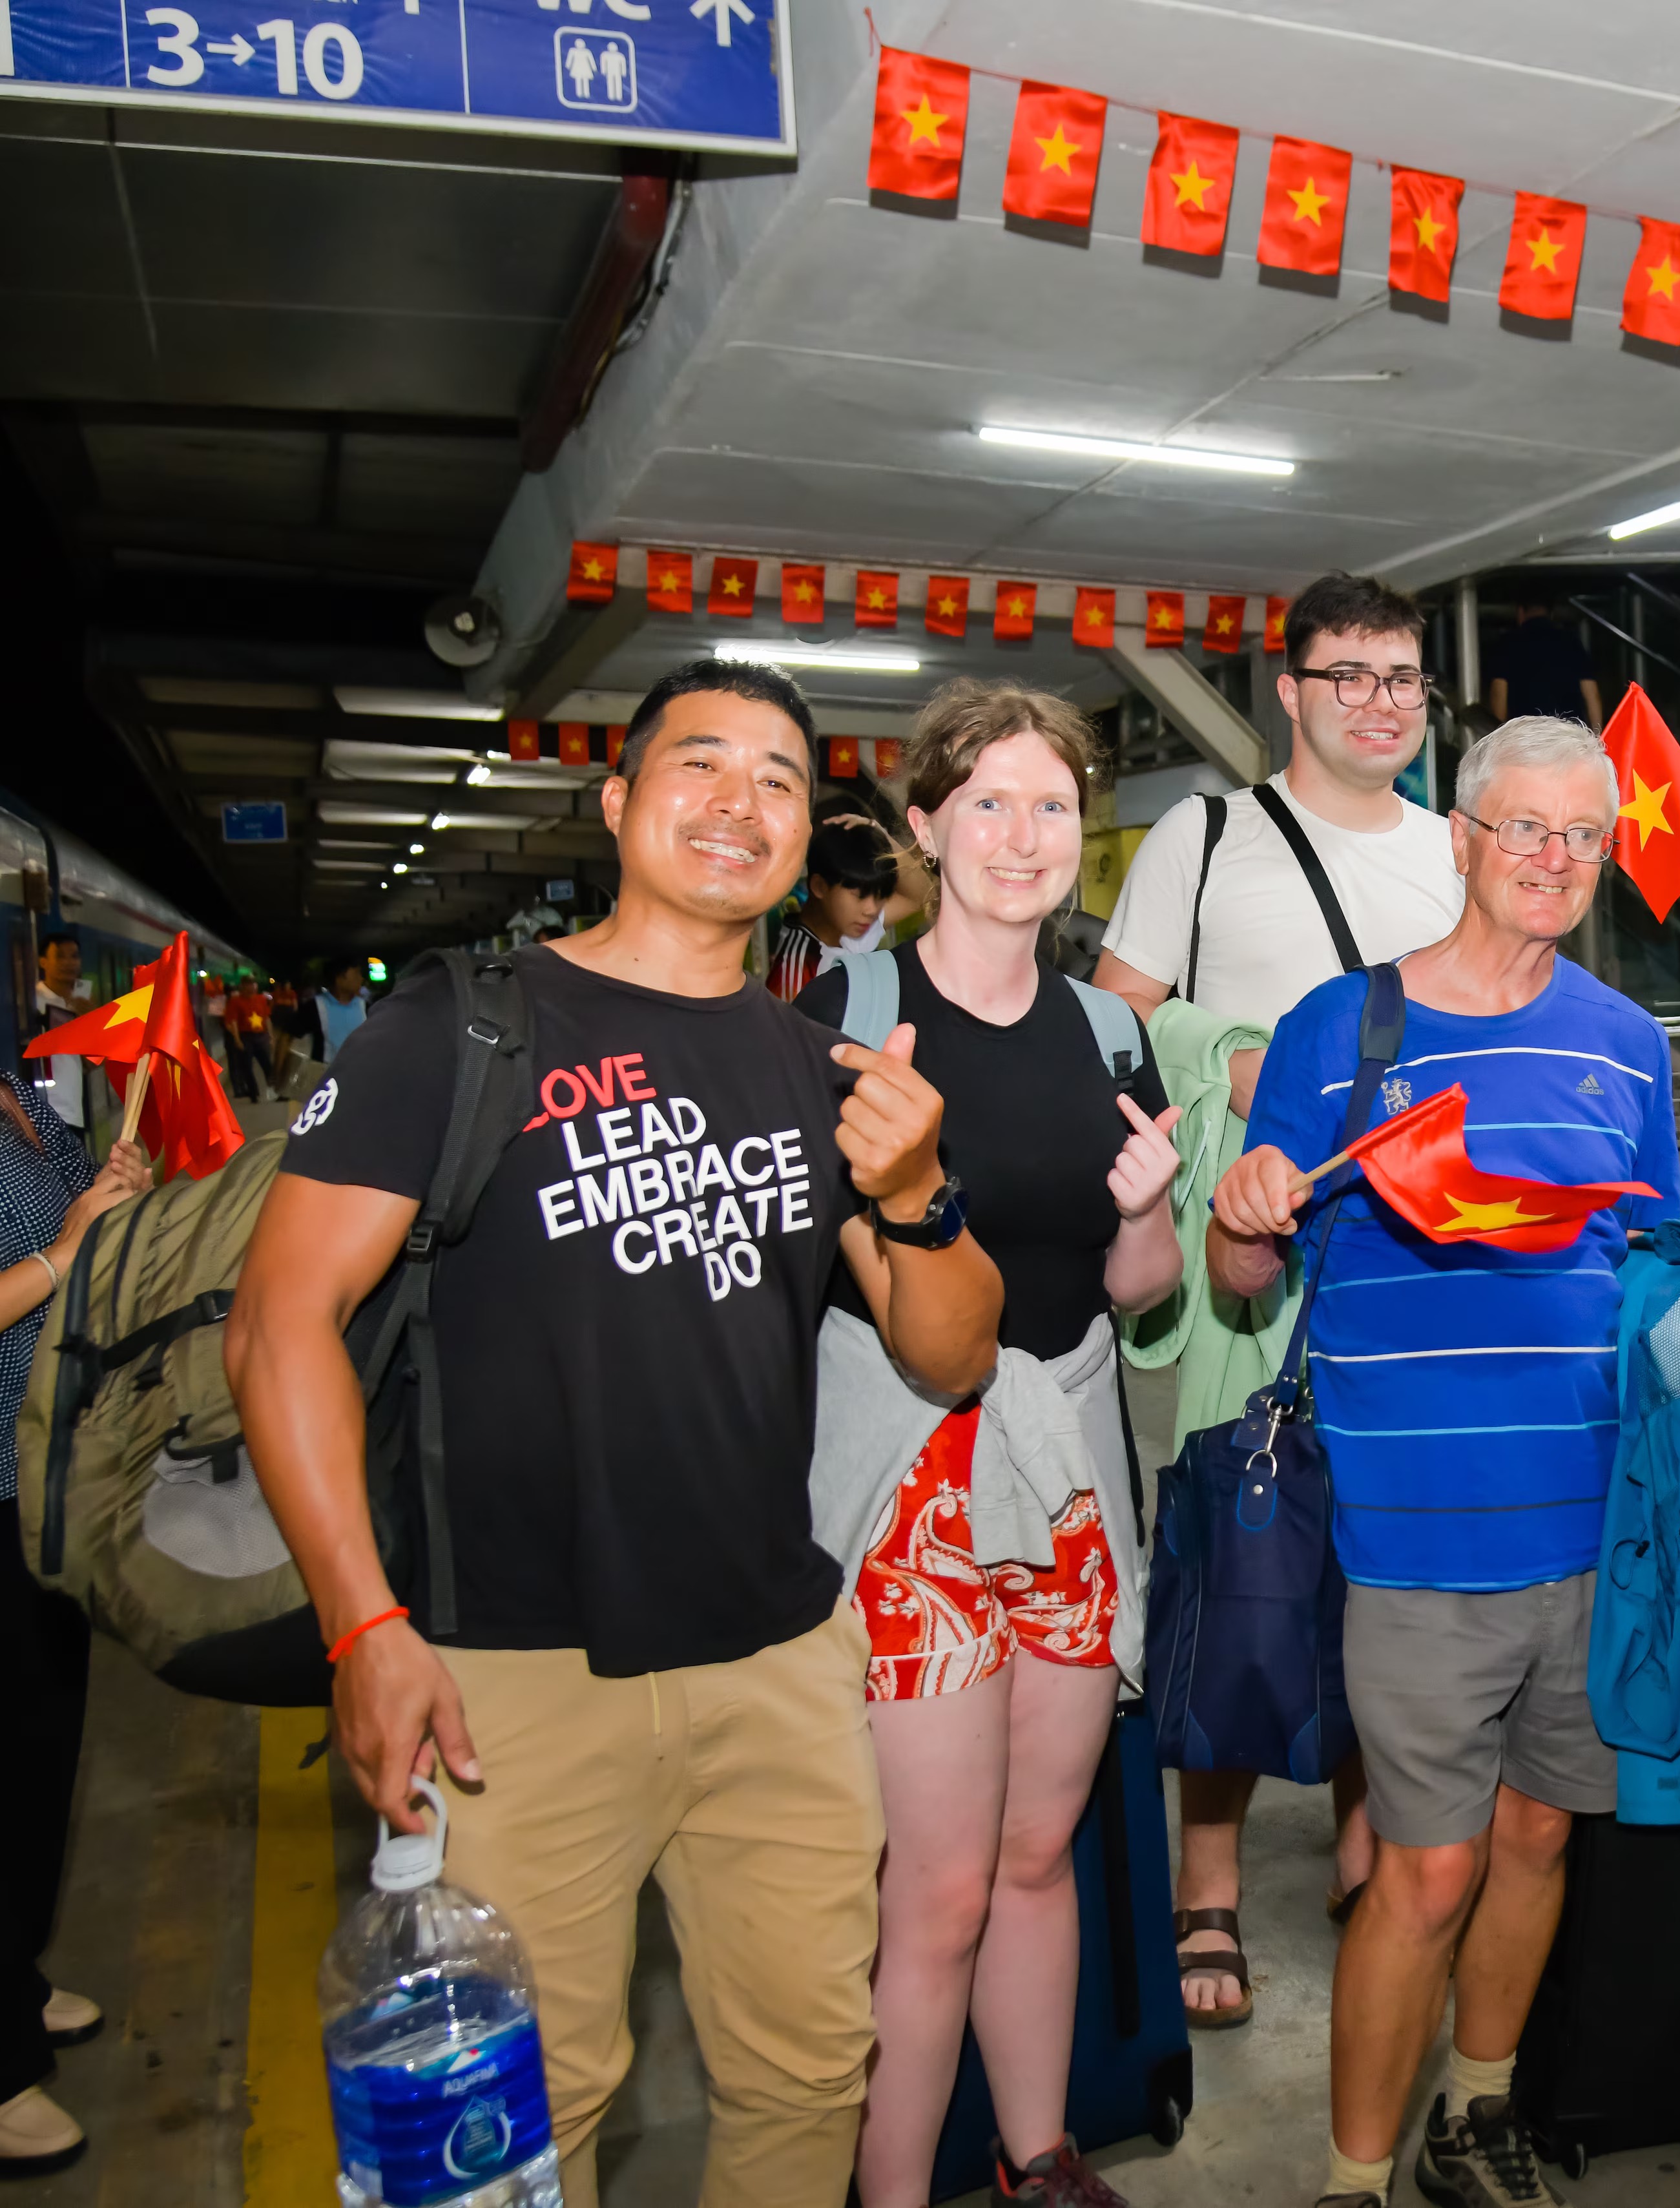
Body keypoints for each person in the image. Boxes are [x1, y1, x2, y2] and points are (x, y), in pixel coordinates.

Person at [225, 658, 1005, 2208]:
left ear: (807, 842)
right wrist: (362, 1621)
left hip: (776, 1662)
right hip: (504, 1676)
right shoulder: (464, 1030)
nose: (740, 802)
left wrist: (916, 1189)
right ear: (619, 803)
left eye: (779, 780)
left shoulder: (820, 1072)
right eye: (701, 765)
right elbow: (277, 1324)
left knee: (804, 2067)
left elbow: (953, 1350)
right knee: (527, 2110)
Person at [1209, 716, 1679, 2208]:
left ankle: (1474, 2117)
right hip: (1415, 1539)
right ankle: (1355, 2179)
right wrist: (1241, 1209)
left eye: (1581, 836)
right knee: (1422, 1869)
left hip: (1592, 1532)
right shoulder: (1345, 1032)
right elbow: (1238, 1280)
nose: (1551, 859)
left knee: (1540, 1834)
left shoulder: (1623, 1040)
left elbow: (1647, 1268)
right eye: (1523, 828)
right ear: (1461, 838)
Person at [793, 682, 1184, 2208]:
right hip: (911, 1482)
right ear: (926, 828)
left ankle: (1039, 2157)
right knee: (938, 1885)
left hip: (1071, 1472)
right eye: (991, 803)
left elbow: (1133, 1294)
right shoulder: (844, 1018)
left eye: (1050, 806)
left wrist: (1149, 1205)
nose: (1023, 835)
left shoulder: (1107, 1029)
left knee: (1043, 1853)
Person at [1092, 570, 1464, 2029]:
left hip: (1412, 1249)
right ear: (1290, 693)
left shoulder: (1453, 846)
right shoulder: (1208, 836)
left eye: (1402, 677)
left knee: (1386, 1558)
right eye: (1349, 673)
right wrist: (1233, 1060)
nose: (1379, 700)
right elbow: (1114, 1010)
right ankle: (1208, 1887)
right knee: (1245, 1554)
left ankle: (1370, 1848)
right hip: (1255, 1251)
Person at [0, 1081, 143, 2176]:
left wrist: (115, 1193)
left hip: (42, 1471)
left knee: (41, 1751)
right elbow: (57, 1248)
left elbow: (81, 1207)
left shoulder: (17, 1093)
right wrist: (67, 1248)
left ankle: (14, 1975)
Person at [771, 817, 902, 1002]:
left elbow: (917, 896)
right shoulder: (799, 969)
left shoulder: (844, 933)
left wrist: (878, 831)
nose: (871, 910)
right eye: (859, 895)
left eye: (880, 896)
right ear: (819, 887)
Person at [1482, 594, 1603, 729]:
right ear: (1551, 614)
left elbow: (1499, 693)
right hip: (1568, 734)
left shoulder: (1508, 644)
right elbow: (1592, 694)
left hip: (1526, 735)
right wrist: (1598, 737)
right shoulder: (1570, 642)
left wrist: (1500, 732)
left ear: (1520, 612)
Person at [28, 929, 87, 1137]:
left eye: (74, 956)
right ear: (42, 962)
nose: (69, 963)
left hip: (75, 1111)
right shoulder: (33, 1000)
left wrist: (88, 1018)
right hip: (47, 1112)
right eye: (60, 956)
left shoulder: (82, 1000)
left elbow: (92, 1063)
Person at [223, 970, 275, 1103]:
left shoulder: (261, 999)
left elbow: (266, 1018)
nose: (252, 987)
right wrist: (237, 1039)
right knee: (247, 1067)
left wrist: (271, 1035)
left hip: (261, 1036)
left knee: (267, 1065)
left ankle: (276, 1090)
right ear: (243, 986)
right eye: (249, 984)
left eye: (254, 984)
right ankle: (253, 1093)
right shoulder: (236, 1001)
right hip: (246, 1037)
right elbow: (233, 1021)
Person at [314, 957, 371, 1062]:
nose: (361, 978)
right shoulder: (315, 1007)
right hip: (327, 1074)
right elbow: (287, 1038)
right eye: (356, 973)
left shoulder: (366, 1007)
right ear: (340, 977)